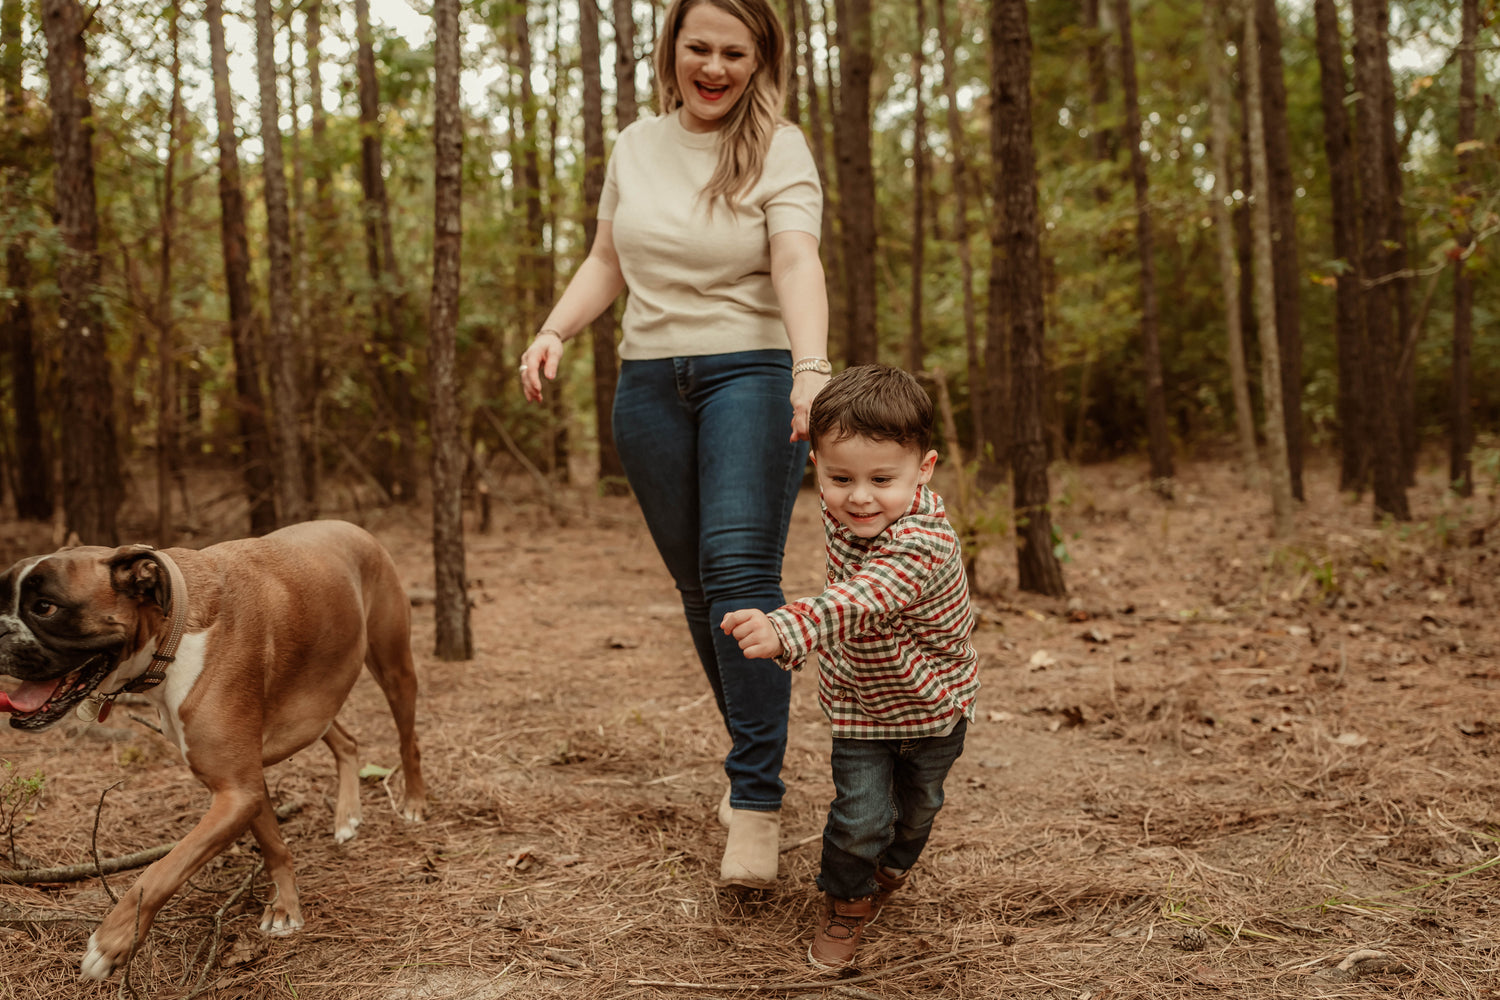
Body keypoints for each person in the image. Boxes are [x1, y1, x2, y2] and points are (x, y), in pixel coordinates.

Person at [518, 0, 829, 890]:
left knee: (737, 573)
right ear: (674, 49)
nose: (716, 68)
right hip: (649, 382)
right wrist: (556, 330)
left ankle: (758, 802)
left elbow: (797, 260)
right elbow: (608, 259)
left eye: (736, 52)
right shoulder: (635, 145)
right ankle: (752, 760)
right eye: (701, 47)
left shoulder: (782, 146)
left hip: (753, 373)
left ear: (760, 59)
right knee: (700, 590)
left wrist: (810, 369)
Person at [720, 364, 980, 970]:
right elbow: (848, 606)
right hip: (862, 706)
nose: (859, 496)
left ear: (925, 469)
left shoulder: (924, 542)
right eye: (840, 477)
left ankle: (890, 870)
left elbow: (864, 597)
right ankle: (846, 902)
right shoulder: (849, 512)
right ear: (817, 467)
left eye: (882, 478)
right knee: (860, 816)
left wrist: (786, 625)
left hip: (934, 706)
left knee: (917, 812)